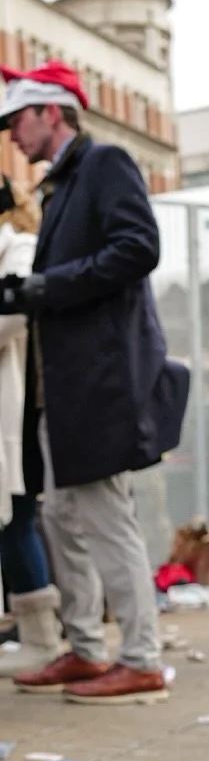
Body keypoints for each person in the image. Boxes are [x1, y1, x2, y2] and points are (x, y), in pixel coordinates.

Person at [0, 60, 168, 702]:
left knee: (103, 515)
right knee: (62, 513)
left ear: (51, 112)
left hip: (101, 380)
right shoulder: (59, 186)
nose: (12, 134)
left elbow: (138, 247)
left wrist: (46, 287)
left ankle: (143, 656)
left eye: (17, 119)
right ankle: (88, 650)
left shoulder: (105, 163)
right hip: (67, 385)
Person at [0, 176, 61, 676]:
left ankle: (43, 638)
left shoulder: (20, 245)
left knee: (17, 520)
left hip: (16, 410)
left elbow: (12, 317)